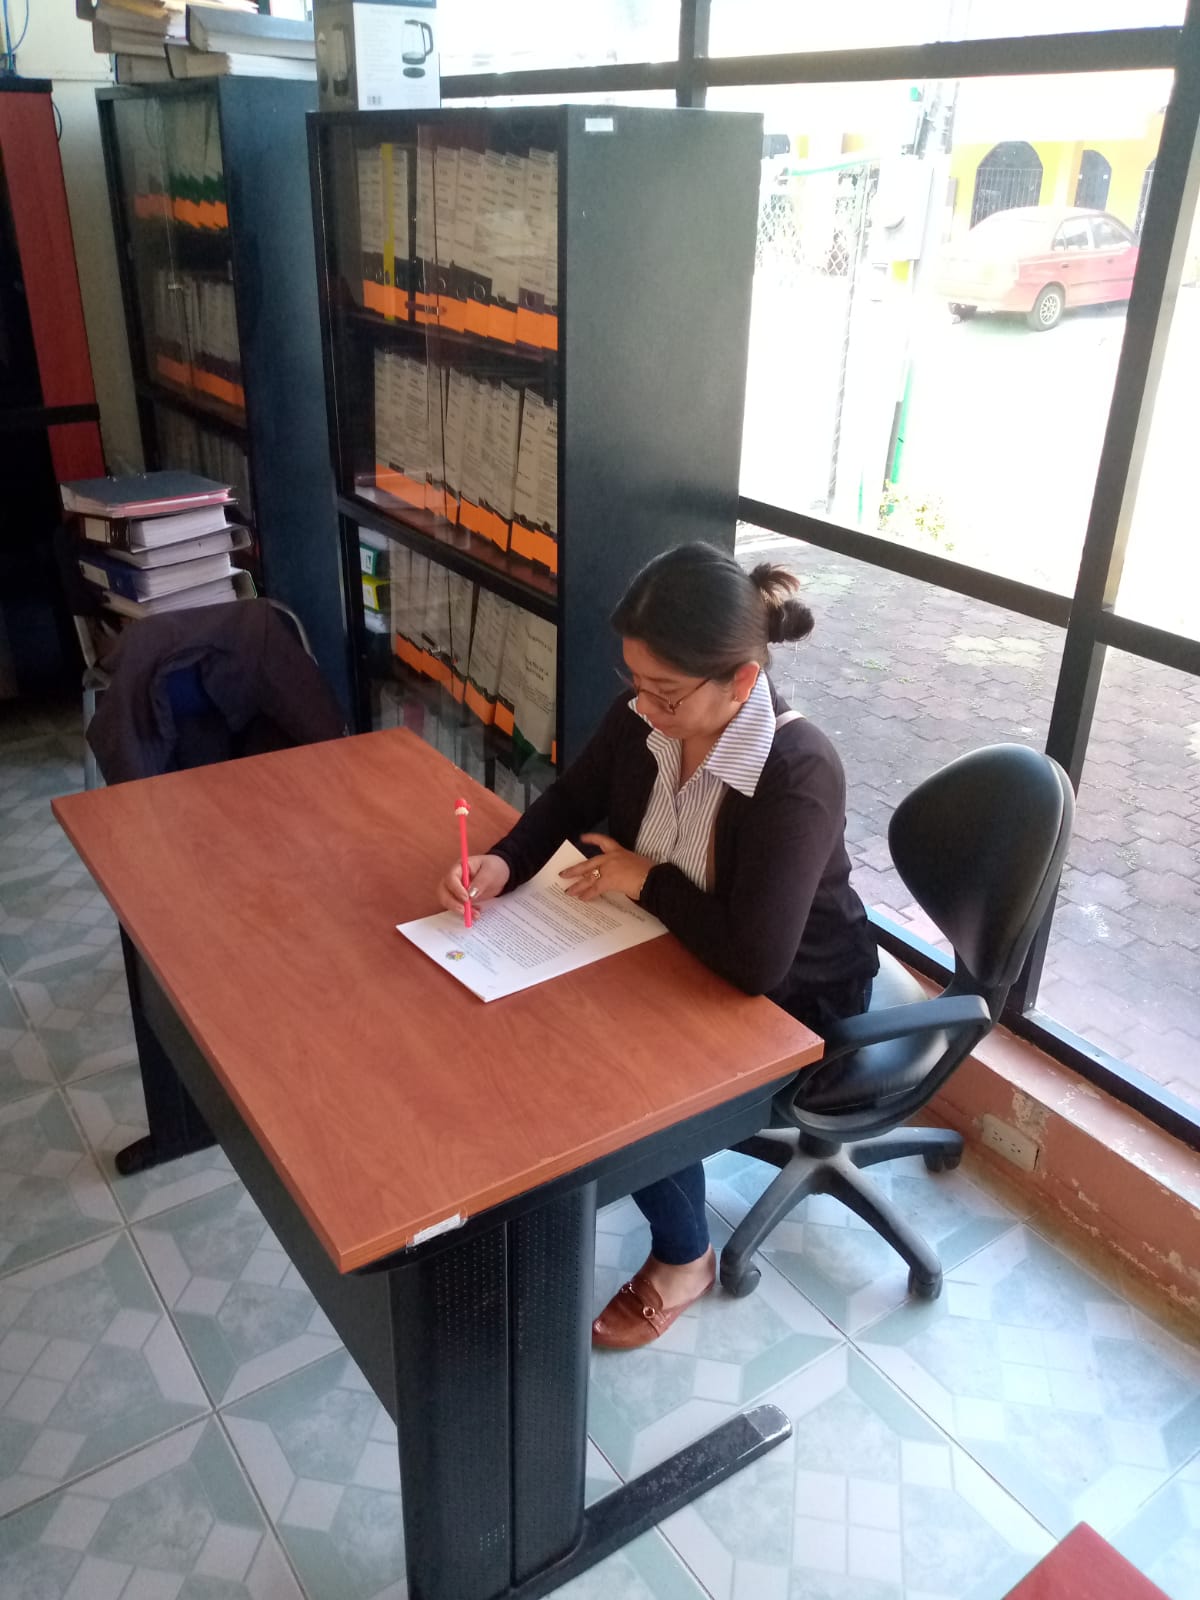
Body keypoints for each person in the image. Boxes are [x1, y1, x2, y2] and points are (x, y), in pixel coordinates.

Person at [437, 542, 878, 1349]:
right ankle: (542, 1193)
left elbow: (755, 962)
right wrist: (505, 861)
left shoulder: (797, 770)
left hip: (797, 998)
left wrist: (645, 880)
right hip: (672, 945)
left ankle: (685, 1255)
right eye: (636, 681)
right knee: (543, 1019)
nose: (643, 705)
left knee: (627, 1077)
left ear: (740, 681)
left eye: (665, 692)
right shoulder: (649, 716)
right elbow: (572, 797)